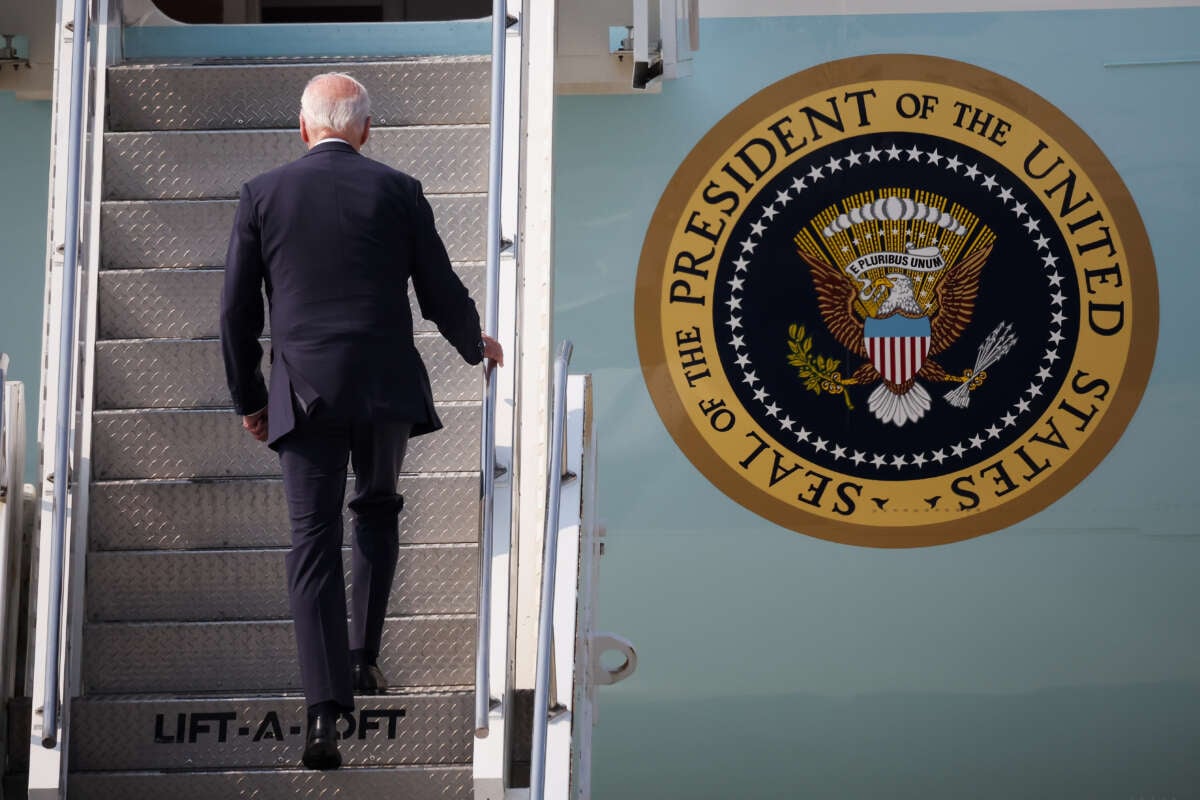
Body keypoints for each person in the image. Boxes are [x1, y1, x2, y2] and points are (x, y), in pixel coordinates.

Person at [220, 72, 503, 771]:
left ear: (303, 126)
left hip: (306, 389)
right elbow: (438, 287)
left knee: (311, 541)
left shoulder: (263, 194)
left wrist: (250, 399)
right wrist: (476, 344)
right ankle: (363, 658)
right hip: (384, 388)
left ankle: (323, 712)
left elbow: (235, 314)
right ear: (366, 130)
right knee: (377, 509)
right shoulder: (399, 190)